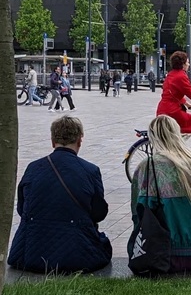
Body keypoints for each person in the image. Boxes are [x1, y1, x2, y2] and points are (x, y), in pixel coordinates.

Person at [7, 116, 112, 274]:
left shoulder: (33, 168)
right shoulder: (90, 170)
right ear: (79, 140)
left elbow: (22, 209)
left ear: (52, 141)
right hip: (78, 253)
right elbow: (98, 213)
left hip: (30, 252)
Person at [129, 115, 191, 273]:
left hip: (164, 255)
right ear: (177, 133)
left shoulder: (149, 165)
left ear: (153, 137)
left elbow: (137, 211)